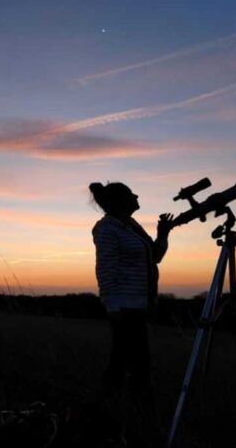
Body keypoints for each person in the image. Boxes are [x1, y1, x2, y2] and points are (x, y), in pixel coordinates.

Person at [89, 181, 174, 435]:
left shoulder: (132, 226)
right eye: (130, 193)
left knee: (126, 362)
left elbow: (155, 256)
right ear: (119, 201)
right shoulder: (107, 229)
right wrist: (112, 307)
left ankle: (111, 411)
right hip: (124, 308)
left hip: (139, 306)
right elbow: (105, 269)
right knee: (135, 364)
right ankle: (133, 416)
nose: (136, 195)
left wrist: (163, 234)